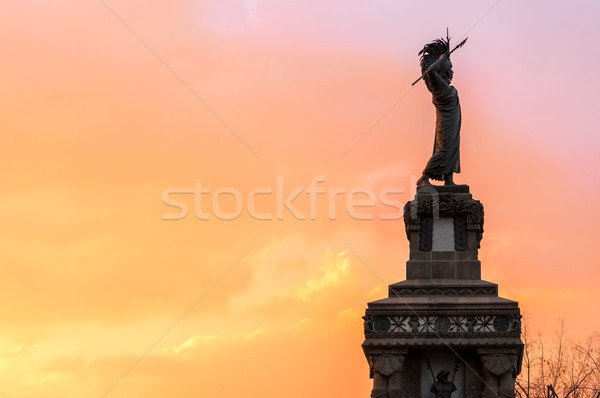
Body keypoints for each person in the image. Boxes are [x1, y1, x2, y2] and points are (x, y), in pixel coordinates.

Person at [416, 38, 461, 187]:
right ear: (443, 68)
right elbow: (430, 72)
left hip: (453, 124)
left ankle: (449, 180)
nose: (452, 71)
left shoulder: (444, 86)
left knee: (452, 150)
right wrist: (442, 60)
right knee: (444, 149)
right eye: (450, 67)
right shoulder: (438, 86)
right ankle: (424, 177)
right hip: (446, 124)